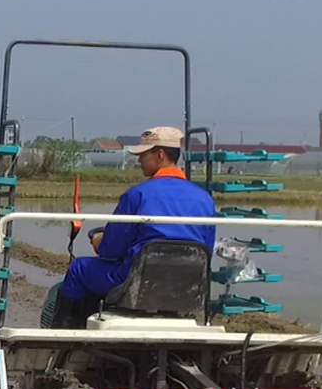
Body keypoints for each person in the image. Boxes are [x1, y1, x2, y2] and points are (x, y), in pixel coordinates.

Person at [48, 127, 216, 328]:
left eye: (143, 155)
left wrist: (98, 240)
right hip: (185, 286)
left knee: (79, 268)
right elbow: (206, 249)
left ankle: (64, 337)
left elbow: (111, 249)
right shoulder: (204, 199)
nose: (139, 161)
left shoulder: (138, 195)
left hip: (136, 282)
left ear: (160, 154)